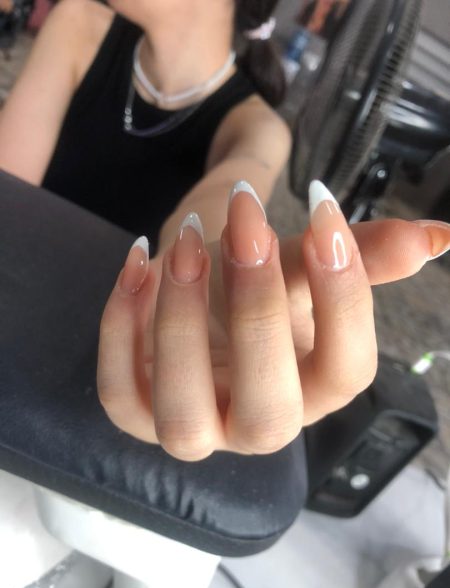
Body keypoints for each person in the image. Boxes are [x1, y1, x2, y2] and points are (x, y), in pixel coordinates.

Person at [0, 0, 449, 462]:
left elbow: (218, 205)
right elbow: (8, 202)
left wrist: (213, 283)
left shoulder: (259, 129)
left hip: (81, 362)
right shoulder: (76, 21)